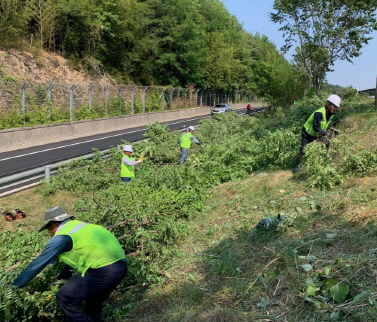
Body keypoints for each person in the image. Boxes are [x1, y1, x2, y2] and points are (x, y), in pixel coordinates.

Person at [12, 206, 127, 322]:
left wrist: (16, 285)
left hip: (104, 271)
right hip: (120, 267)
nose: (50, 233)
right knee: (93, 302)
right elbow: (72, 265)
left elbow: (39, 262)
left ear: (55, 224)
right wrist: (57, 281)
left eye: (49, 229)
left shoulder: (62, 236)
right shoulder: (82, 227)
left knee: (64, 297)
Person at [294, 94, 341, 172]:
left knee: (326, 143)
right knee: (304, 149)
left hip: (319, 133)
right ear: (329, 105)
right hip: (308, 132)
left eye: (336, 107)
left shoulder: (332, 114)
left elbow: (327, 123)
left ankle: (322, 162)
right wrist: (326, 134)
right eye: (334, 106)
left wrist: (332, 129)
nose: (336, 108)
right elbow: (315, 127)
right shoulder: (319, 113)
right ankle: (298, 167)